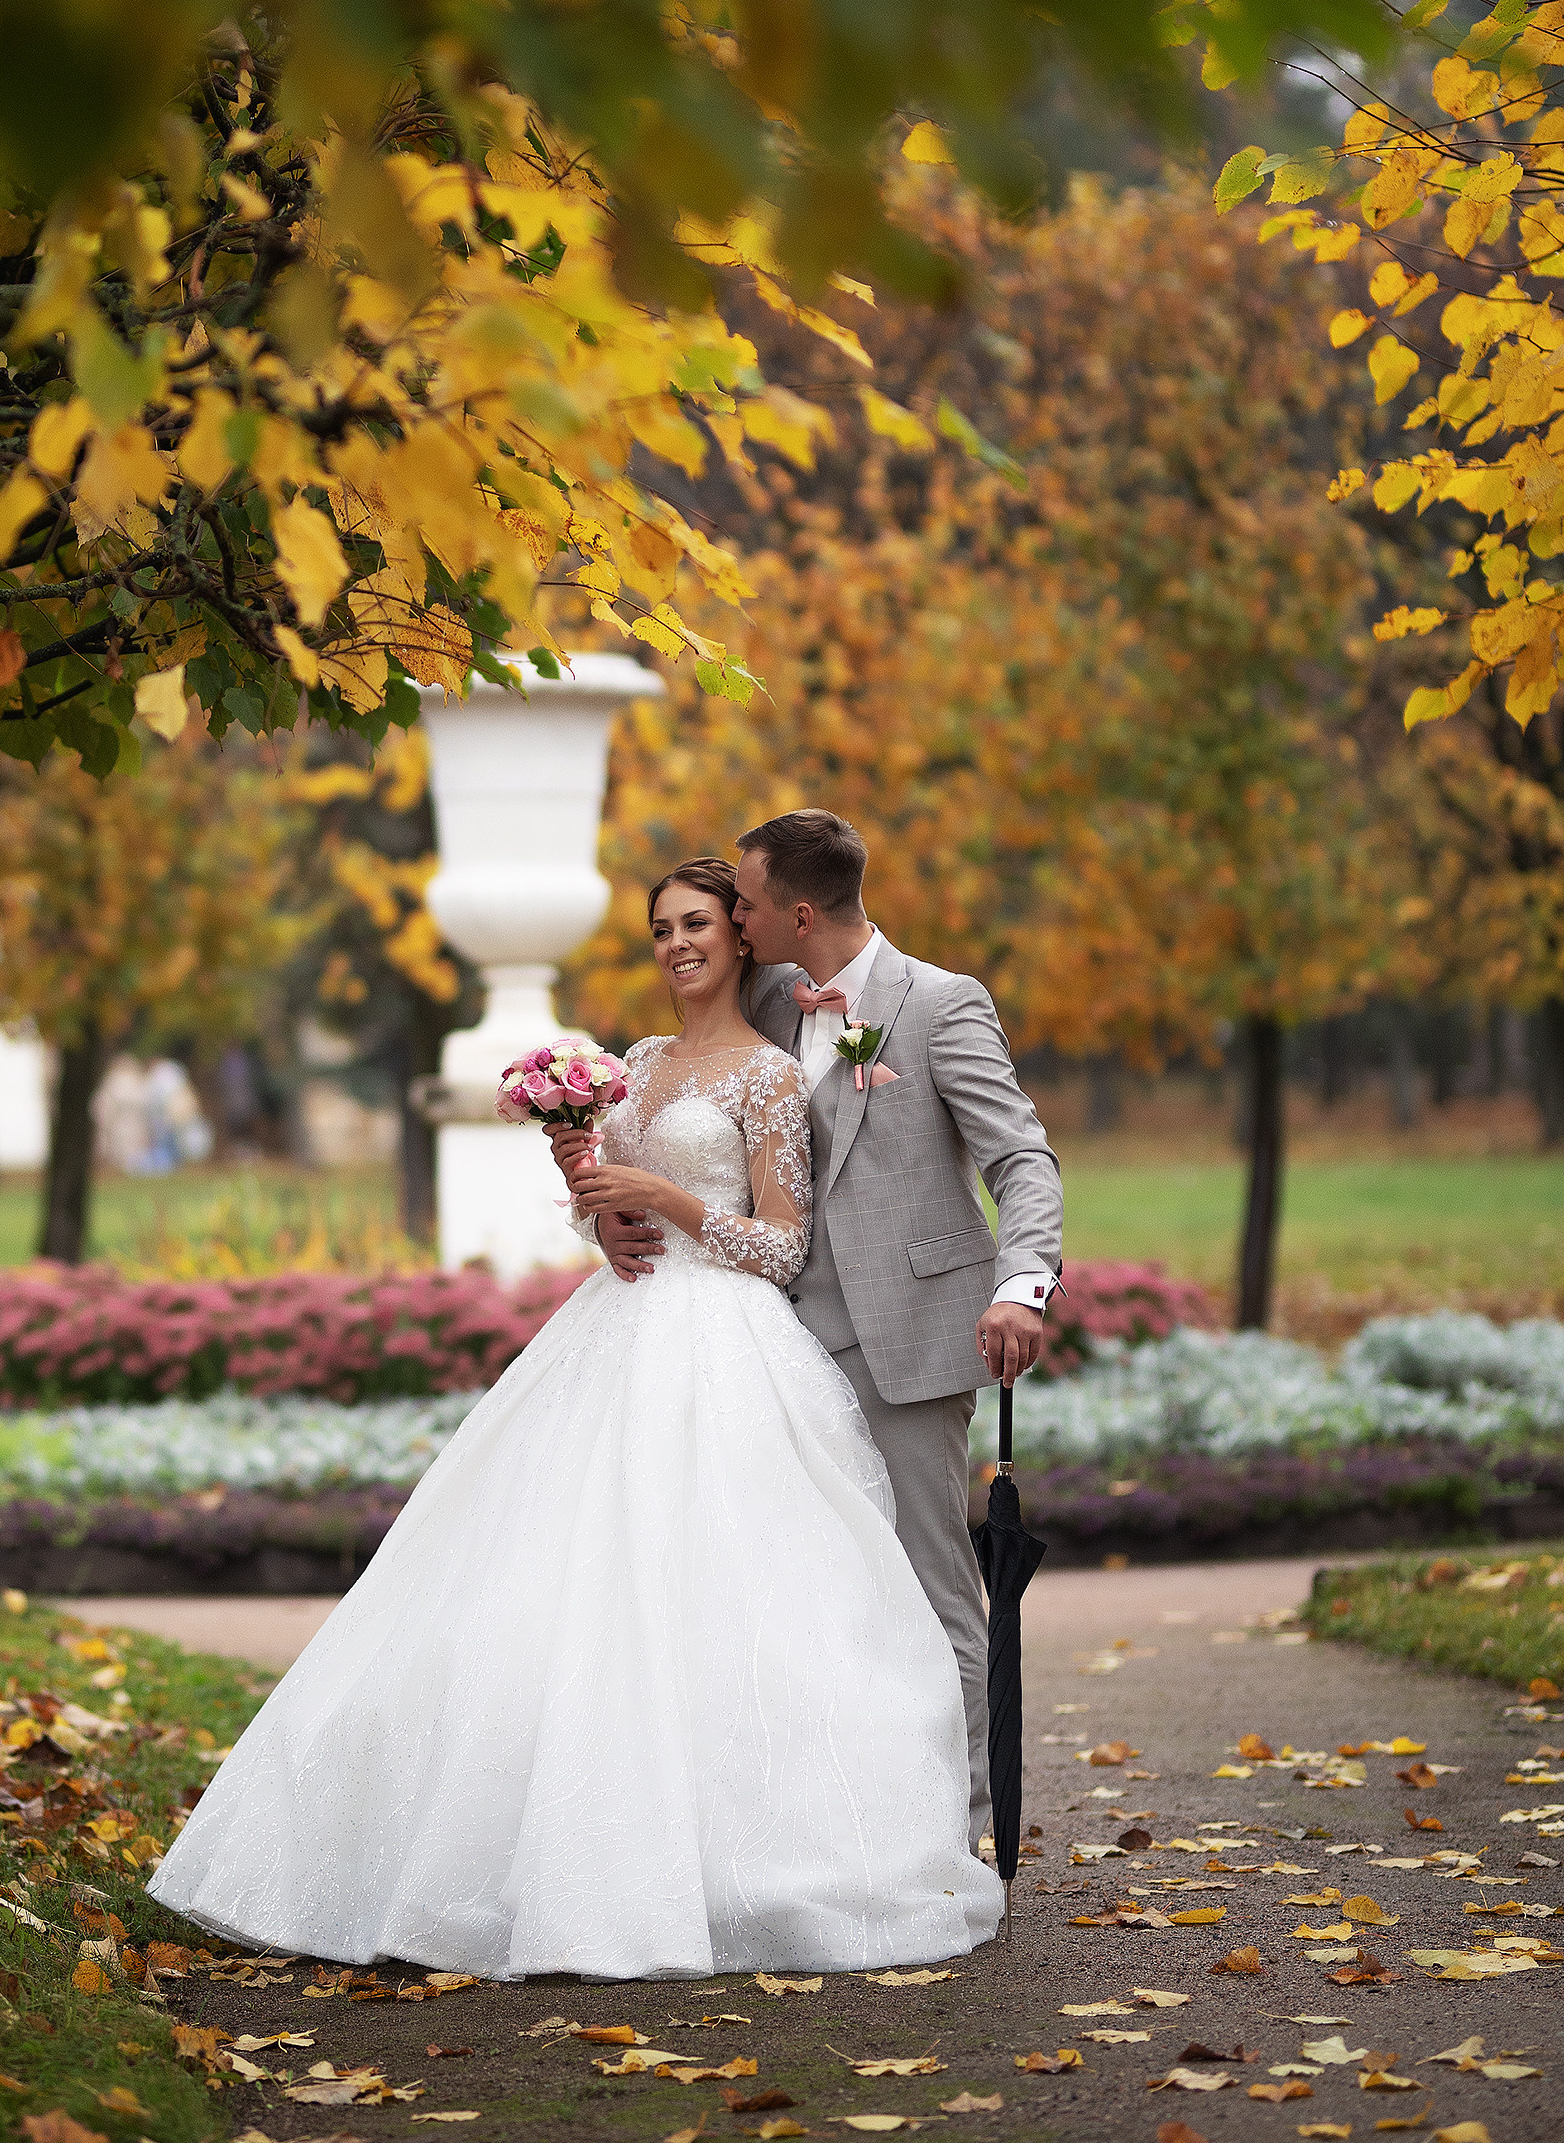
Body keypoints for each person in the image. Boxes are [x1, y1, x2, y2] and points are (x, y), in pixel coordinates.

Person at [147, 856, 1004, 1978]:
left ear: (741, 937)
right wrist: (601, 1209)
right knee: (549, 1583)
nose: (676, 942)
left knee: (724, 1598)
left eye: (697, 921)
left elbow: (778, 1245)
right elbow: (614, 1214)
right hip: (613, 1327)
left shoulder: (769, 1076)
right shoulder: (637, 1063)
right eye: (659, 928)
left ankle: (758, 1855)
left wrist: (666, 1197)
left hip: (722, 1353)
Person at [565, 812, 1063, 1850]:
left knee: (926, 1591)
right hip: (753, 1344)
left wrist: (1022, 1284)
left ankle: (961, 1840)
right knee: (791, 1598)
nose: (725, 920)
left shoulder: (937, 1004)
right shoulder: (758, 995)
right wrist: (604, 1199)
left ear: (793, 910)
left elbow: (1019, 1158)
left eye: (739, 902)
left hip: (901, 1340)